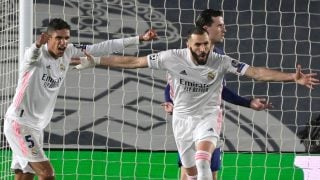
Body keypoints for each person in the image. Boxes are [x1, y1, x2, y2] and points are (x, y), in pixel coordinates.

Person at [75, 27, 319, 179]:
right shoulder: (171, 58)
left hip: (208, 117)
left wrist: (291, 77)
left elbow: (256, 72)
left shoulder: (220, 61)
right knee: (190, 172)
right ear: (188, 44)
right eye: (198, 44)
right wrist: (95, 61)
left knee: (203, 163)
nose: (203, 48)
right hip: (182, 120)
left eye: (206, 44)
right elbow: (133, 62)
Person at [3, 18, 157, 180]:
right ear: (48, 38)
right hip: (19, 124)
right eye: (58, 38)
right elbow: (31, 54)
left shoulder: (69, 51)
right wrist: (37, 45)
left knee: (25, 174)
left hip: (35, 127)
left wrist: (139, 39)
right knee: (47, 174)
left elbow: (101, 47)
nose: (63, 42)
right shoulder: (35, 55)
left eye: (66, 38)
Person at [161, 9, 272, 180]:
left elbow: (221, 90)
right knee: (190, 170)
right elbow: (172, 83)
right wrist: (169, 101)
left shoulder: (218, 56)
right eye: (220, 25)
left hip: (207, 121)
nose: (224, 29)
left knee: (207, 169)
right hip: (188, 122)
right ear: (207, 28)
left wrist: (248, 103)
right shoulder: (184, 55)